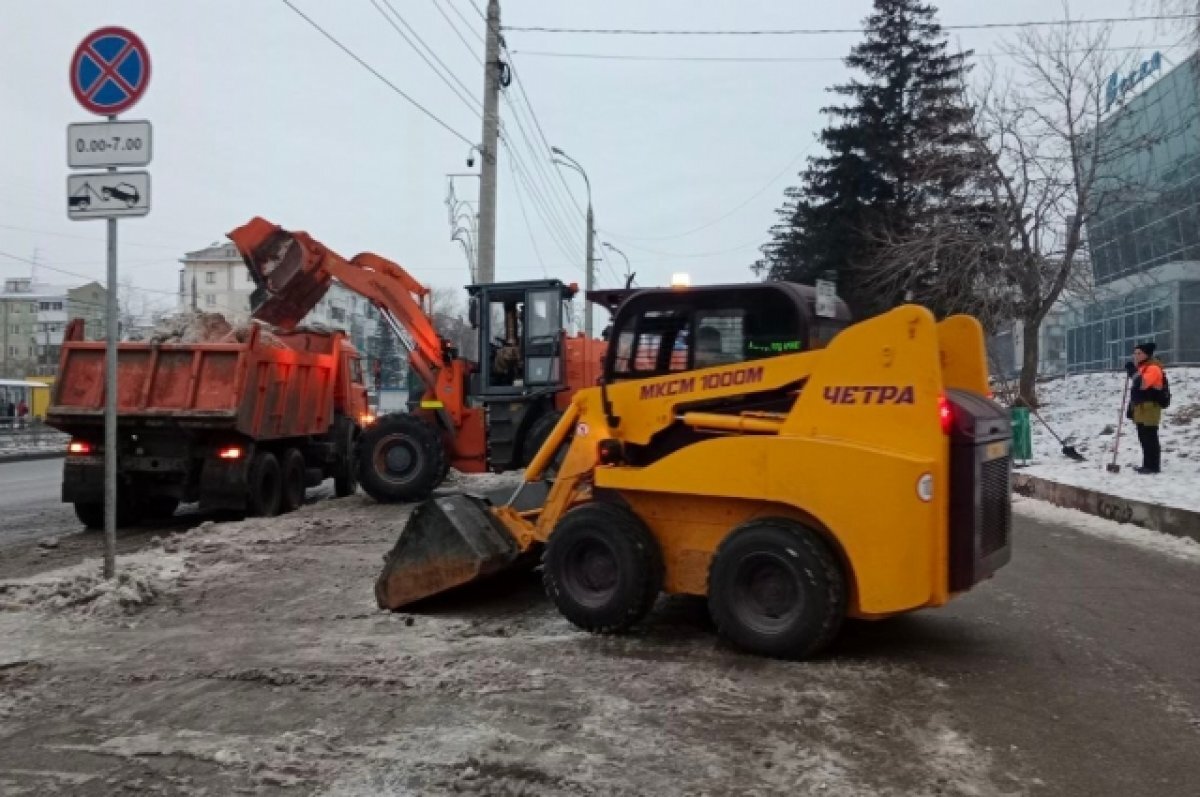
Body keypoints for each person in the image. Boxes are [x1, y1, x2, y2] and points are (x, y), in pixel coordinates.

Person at [1125, 342, 1166, 474]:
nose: (1136, 356)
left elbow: (1142, 384)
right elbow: (1136, 389)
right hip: (1141, 408)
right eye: (1135, 353)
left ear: (1147, 354)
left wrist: (1132, 371)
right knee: (1143, 437)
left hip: (1150, 407)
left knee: (1150, 437)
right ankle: (1146, 465)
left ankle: (1153, 466)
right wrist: (1131, 408)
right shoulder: (1142, 367)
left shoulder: (1153, 368)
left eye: (1139, 353)